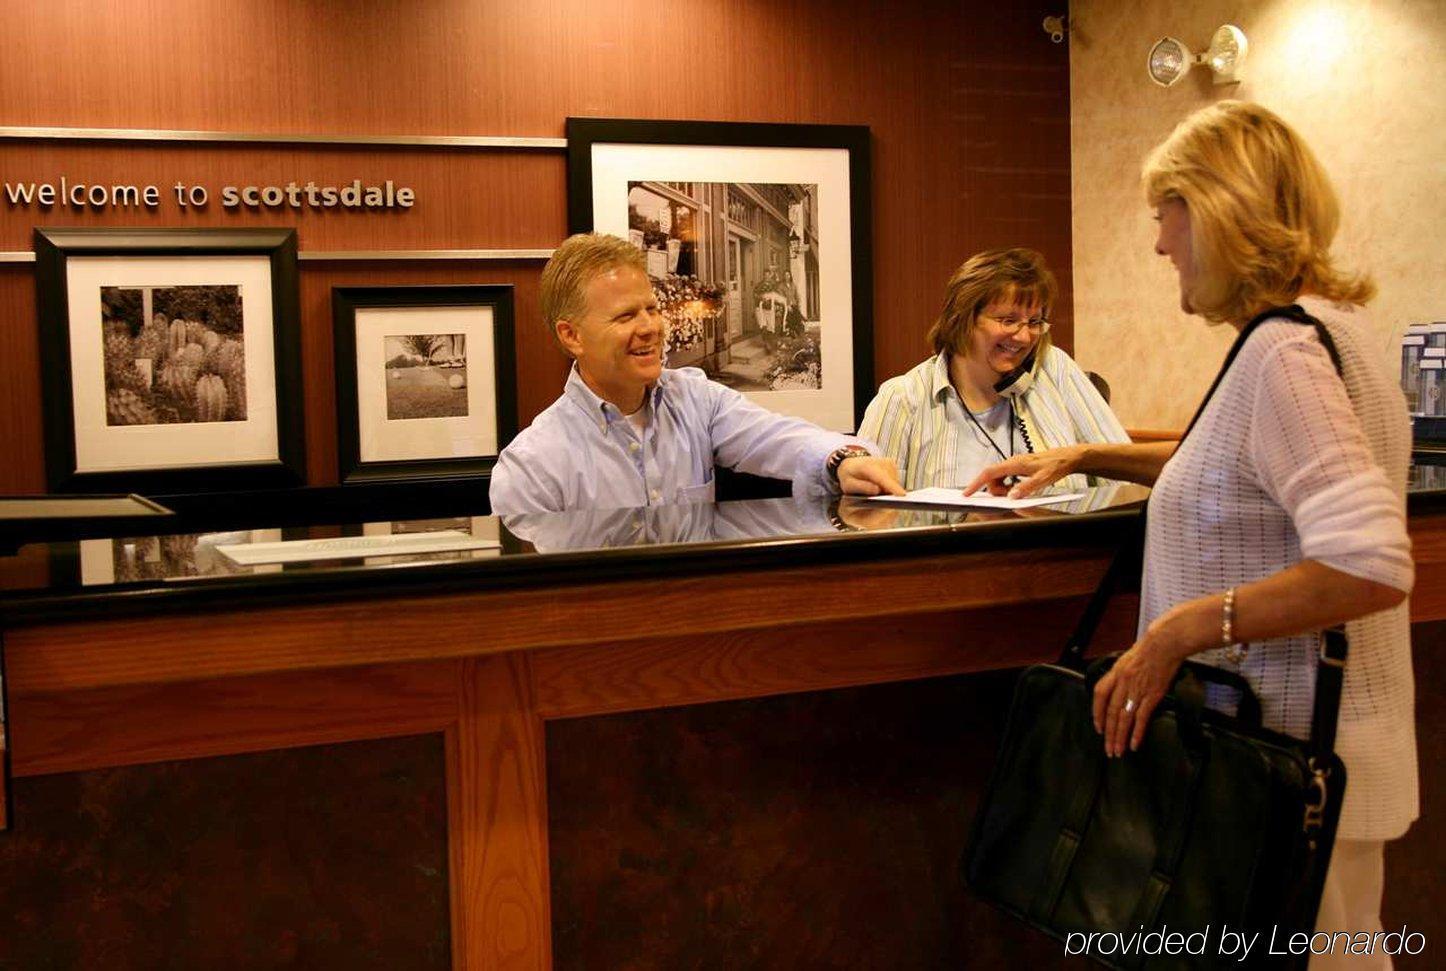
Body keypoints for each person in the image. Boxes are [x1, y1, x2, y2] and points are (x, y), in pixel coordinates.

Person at [966, 102, 1413, 968]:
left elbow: (1369, 562)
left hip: (1274, 779)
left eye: (1164, 213)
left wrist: (1174, 633)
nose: (1159, 243)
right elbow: (1235, 472)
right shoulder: (1335, 332)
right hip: (1325, 768)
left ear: (1214, 211)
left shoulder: (1284, 353)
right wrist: (1088, 455)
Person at [489, 233, 904, 515]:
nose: (650, 327)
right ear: (571, 335)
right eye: (626, 316)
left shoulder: (696, 400)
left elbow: (778, 438)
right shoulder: (532, 467)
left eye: (651, 309)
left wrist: (841, 460)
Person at [859, 247, 1128, 492]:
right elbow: (870, 515)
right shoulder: (902, 398)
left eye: (1034, 321)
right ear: (963, 319)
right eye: (1008, 320)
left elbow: (1122, 472)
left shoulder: (1054, 368)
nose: (1024, 337)